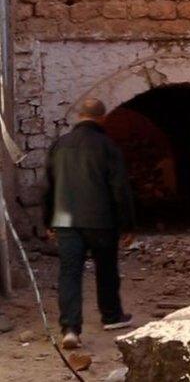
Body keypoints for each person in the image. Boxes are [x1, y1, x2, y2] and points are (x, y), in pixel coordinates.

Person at [42, 98, 135, 350]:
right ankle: (112, 316)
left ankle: (70, 328)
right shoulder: (107, 146)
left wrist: (48, 220)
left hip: (65, 220)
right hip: (100, 220)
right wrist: (127, 224)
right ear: (102, 118)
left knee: (69, 273)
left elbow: (48, 187)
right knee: (106, 268)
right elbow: (119, 188)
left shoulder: (59, 146)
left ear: (79, 115)